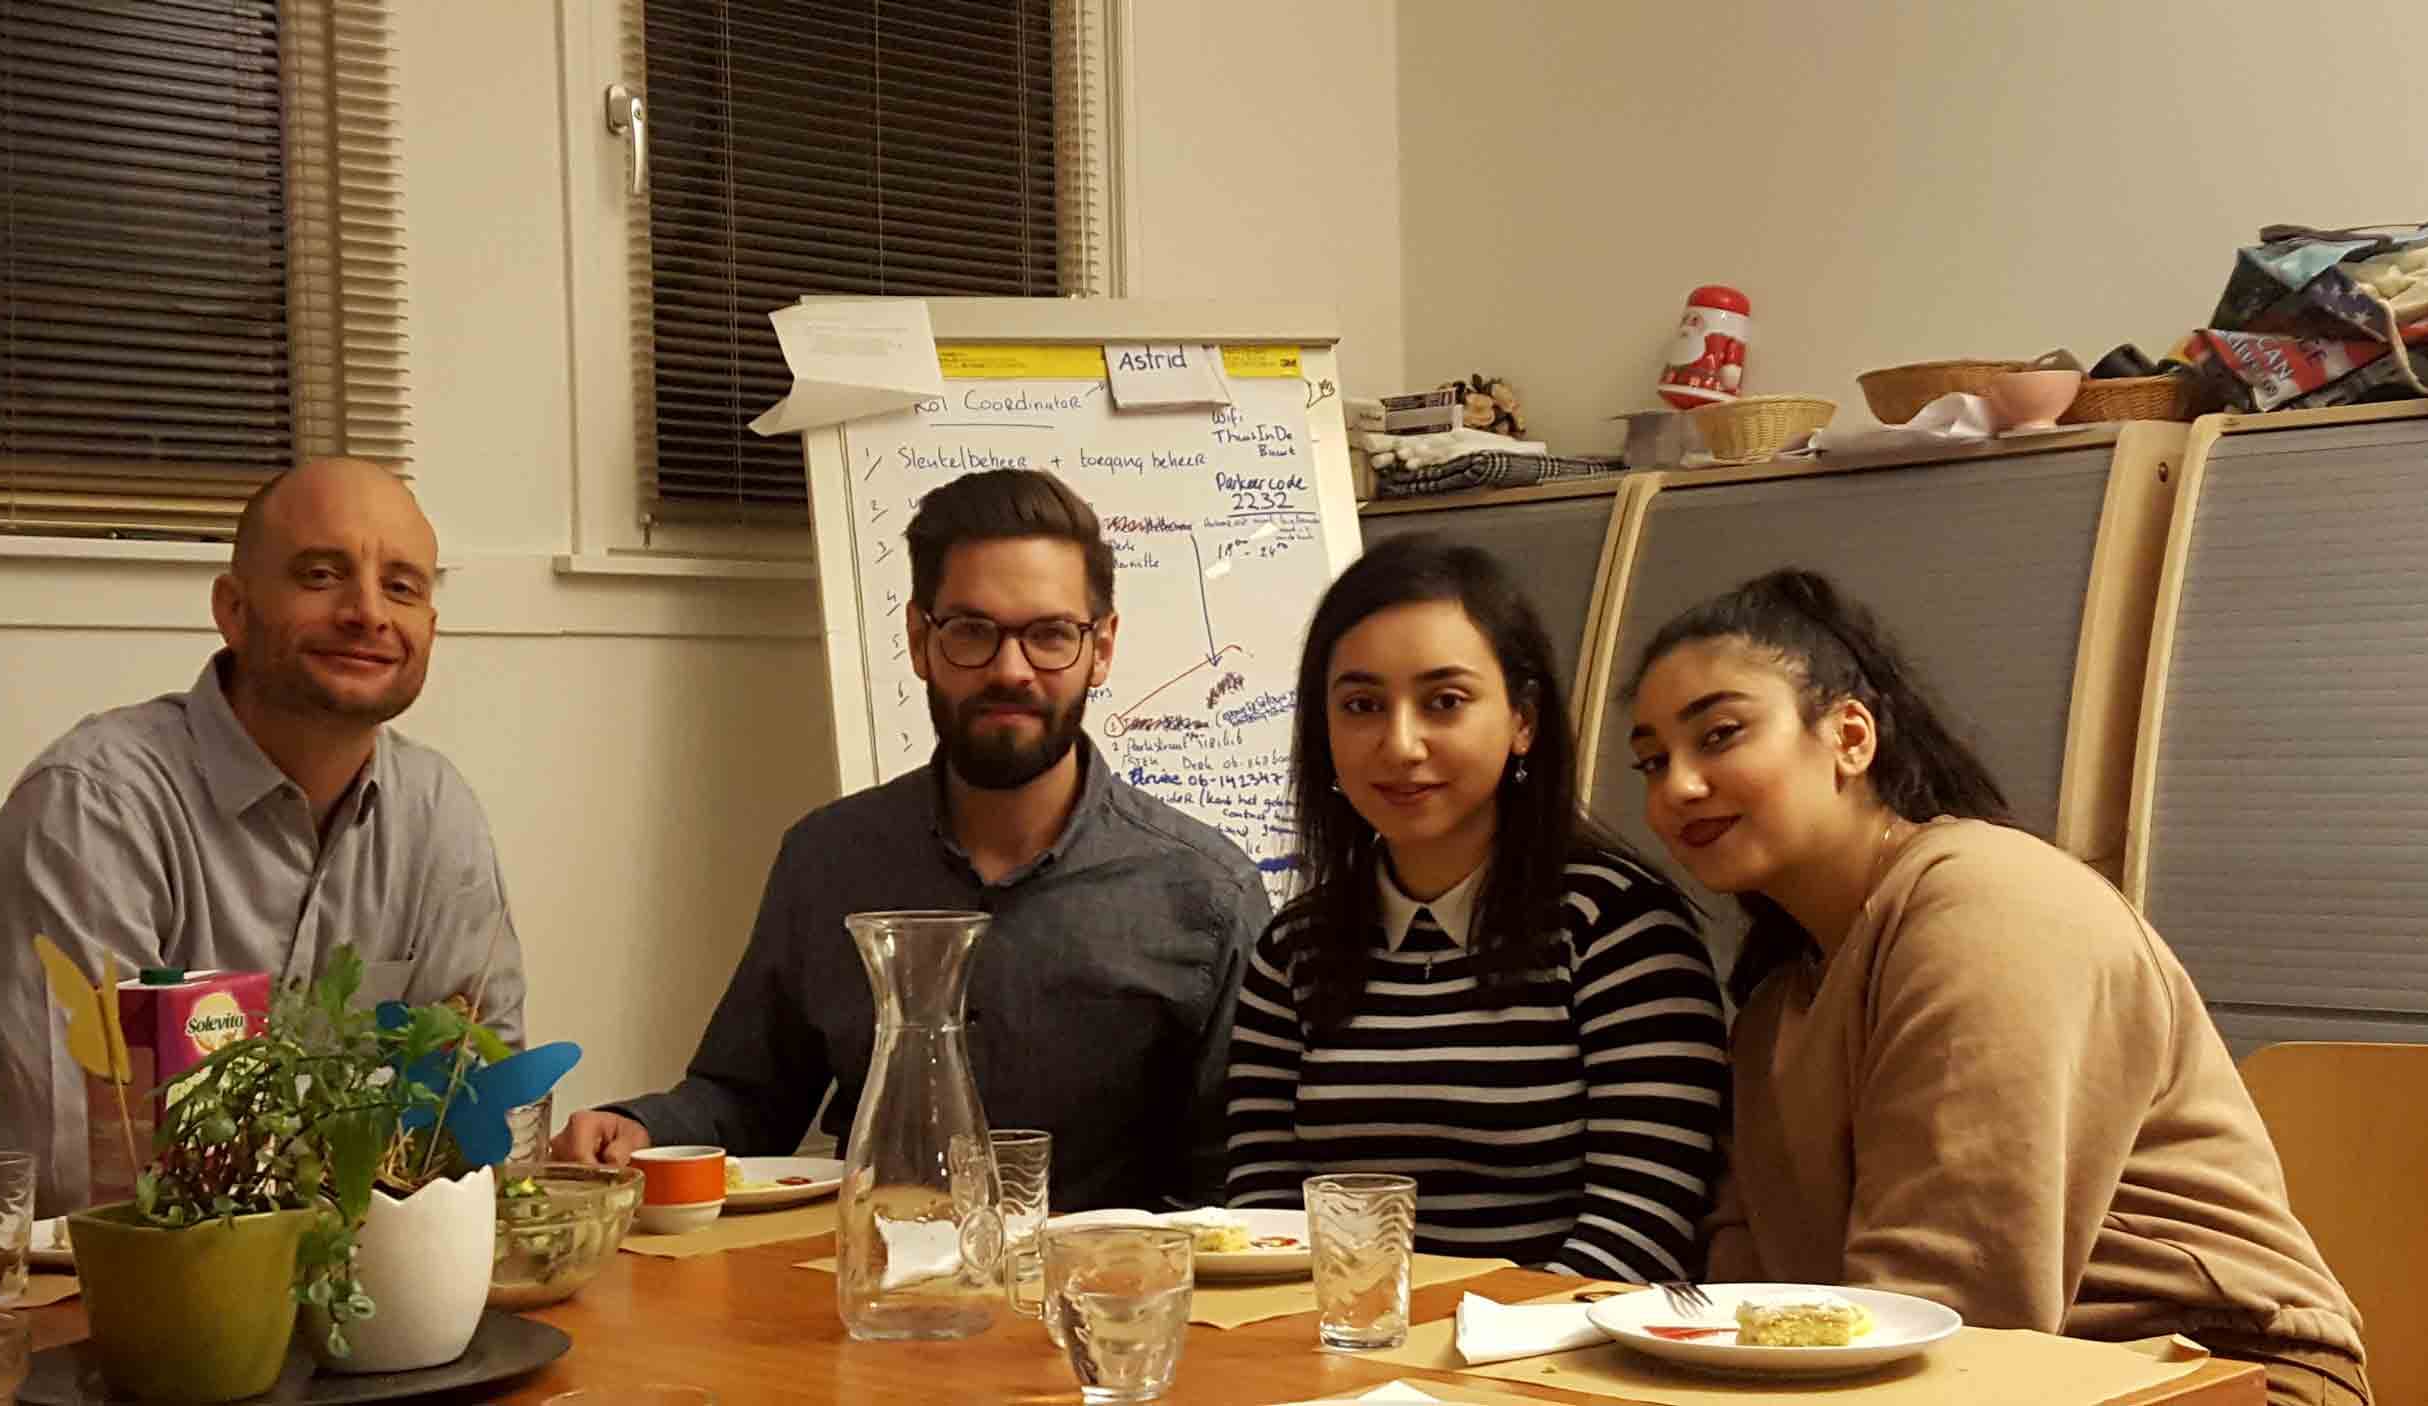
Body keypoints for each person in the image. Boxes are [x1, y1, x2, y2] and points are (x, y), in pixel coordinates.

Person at [1623, 568, 2367, 1405]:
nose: (1677, 787)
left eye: (1718, 735)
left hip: (2212, 1376)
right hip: (1961, 1379)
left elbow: (1958, 1297)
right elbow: (1741, 1287)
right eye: (1651, 762)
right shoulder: (1772, 1005)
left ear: (1850, 736)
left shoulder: (1985, 903)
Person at [553, 469, 1266, 1212]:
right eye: (971, 632)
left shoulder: (1205, 896)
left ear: (1102, 647)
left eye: (1051, 634)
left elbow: (1229, 1182)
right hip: (875, 1293)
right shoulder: (828, 861)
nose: (1010, 670)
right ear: (920, 641)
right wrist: (642, 1128)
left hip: (1103, 1304)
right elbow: (749, 1099)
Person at [0, 458, 526, 1214]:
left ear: (429, 630)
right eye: (321, 575)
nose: (369, 613)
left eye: (402, 588)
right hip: (71, 1291)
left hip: (354, 1283)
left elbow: (478, 1108)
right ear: (234, 609)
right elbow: (82, 1167)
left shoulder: (440, 812)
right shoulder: (95, 806)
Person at [1224, 535, 1727, 1280]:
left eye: (1445, 702)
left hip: (1551, 1366)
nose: (1401, 743)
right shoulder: (1292, 949)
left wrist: (1465, 1357)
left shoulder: (1618, 928)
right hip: (1341, 1359)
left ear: (1523, 720)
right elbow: (1263, 1213)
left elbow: (1643, 1225)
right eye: (1362, 705)